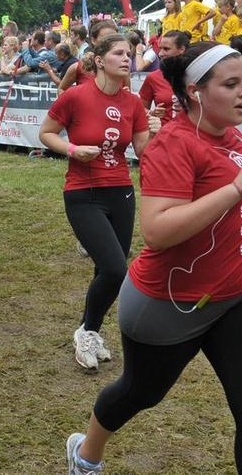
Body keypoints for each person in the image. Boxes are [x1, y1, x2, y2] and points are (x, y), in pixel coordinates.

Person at [66, 41, 242, 475]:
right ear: (194, 92)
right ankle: (86, 454)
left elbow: (220, 203)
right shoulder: (172, 144)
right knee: (140, 393)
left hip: (239, 292)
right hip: (168, 302)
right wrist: (237, 189)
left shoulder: (232, 134)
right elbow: (158, 230)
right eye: (231, 84)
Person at [40, 34, 160, 370]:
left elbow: (143, 151)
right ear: (99, 60)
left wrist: (156, 131)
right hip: (83, 193)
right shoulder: (76, 96)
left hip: (121, 192)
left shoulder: (133, 103)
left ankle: (88, 330)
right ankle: (88, 331)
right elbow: (46, 133)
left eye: (130, 54)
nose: (127, 59)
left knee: (107, 271)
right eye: (119, 53)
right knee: (115, 268)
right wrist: (73, 150)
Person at [139, 31, 189, 126]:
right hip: (163, 132)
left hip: (192, 133)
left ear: (182, 49)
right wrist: (152, 113)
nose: (161, 54)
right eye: (160, 49)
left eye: (166, 49)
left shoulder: (196, 75)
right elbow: (140, 109)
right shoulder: (153, 78)